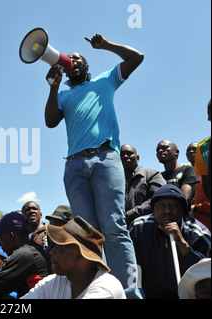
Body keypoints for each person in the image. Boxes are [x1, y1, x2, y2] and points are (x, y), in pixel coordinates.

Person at [44, 33, 144, 299]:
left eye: (78, 58)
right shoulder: (64, 95)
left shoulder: (105, 80)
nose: (72, 61)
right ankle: (98, 292)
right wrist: (53, 87)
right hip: (74, 166)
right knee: (86, 234)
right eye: (69, 59)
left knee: (114, 227)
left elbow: (137, 57)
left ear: (87, 67)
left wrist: (107, 45)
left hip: (105, 159)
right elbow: (51, 121)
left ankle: (132, 291)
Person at [129, 184, 211, 298]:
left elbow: (205, 274)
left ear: (182, 211)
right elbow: (130, 265)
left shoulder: (199, 233)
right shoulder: (139, 228)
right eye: (161, 205)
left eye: (174, 206)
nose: (167, 211)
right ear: (153, 209)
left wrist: (181, 242)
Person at [22, 216, 126, 299]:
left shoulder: (104, 288)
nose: (51, 251)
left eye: (58, 247)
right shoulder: (53, 282)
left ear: (78, 255)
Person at [120, 144, 166, 226]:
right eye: (121, 154)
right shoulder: (115, 182)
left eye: (129, 153)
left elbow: (158, 199)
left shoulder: (152, 174)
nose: (125, 156)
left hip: (145, 229)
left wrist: (129, 215)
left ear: (137, 158)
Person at [156, 140, 200, 205]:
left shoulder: (188, 170)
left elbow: (184, 199)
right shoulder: (158, 176)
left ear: (176, 152)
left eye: (164, 147)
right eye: (157, 150)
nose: (160, 151)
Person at [186, 142, 211, 231]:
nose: (191, 151)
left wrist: (197, 207)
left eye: (195, 149)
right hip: (193, 229)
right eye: (188, 150)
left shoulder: (206, 174)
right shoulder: (186, 176)